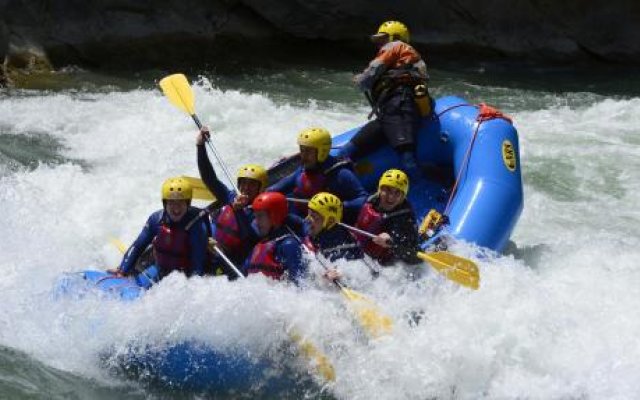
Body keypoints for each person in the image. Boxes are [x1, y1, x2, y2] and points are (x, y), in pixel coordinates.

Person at [339, 21, 431, 181]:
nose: (380, 45)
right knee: (348, 151)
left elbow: (374, 69)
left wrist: (361, 80)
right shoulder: (411, 56)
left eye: (382, 39)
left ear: (395, 37)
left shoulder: (396, 45)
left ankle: (424, 191)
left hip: (400, 106)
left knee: (407, 158)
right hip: (390, 112)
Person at [110, 177, 209, 286]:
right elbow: (138, 246)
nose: (176, 208)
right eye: (171, 202)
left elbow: (197, 264)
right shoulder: (156, 219)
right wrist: (122, 271)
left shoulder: (197, 226)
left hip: (183, 275)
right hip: (159, 268)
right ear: (165, 204)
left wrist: (192, 287)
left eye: (180, 202)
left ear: (188, 203)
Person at [197, 127, 266, 276]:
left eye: (252, 184)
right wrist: (200, 146)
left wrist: (237, 210)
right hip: (208, 251)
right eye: (243, 183)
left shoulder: (262, 214)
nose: (246, 188)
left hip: (230, 263)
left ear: (261, 189)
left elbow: (249, 236)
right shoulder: (229, 197)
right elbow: (209, 178)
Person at [267, 127, 367, 224]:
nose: (304, 155)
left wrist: (338, 206)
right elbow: (278, 188)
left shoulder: (340, 174)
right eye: (302, 150)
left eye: (308, 151)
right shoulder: (303, 169)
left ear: (322, 152)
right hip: (301, 221)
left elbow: (363, 200)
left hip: (324, 226)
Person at [354, 169, 421, 266]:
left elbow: (412, 248)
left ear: (402, 197)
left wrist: (392, 242)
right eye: (388, 190)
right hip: (362, 252)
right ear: (380, 190)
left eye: (398, 192)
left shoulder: (404, 217)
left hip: (387, 264)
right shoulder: (371, 201)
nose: (391, 196)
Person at [243, 192, 306, 284]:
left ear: (275, 216)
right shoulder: (259, 246)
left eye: (260, 216)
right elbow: (242, 277)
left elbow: (301, 286)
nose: (256, 222)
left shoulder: (289, 245)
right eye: (255, 216)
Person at [305, 192, 363, 262]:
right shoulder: (320, 230)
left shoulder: (338, 248)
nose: (307, 219)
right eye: (308, 214)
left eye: (313, 216)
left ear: (330, 221)